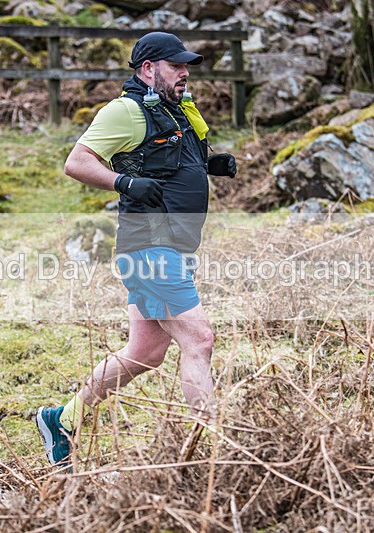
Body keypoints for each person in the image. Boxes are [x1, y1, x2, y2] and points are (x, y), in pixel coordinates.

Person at [35, 32, 238, 468]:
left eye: (187, 65)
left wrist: (210, 165)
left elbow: (167, 162)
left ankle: (60, 420)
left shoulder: (177, 110)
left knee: (145, 353)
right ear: (148, 69)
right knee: (199, 340)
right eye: (176, 65)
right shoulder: (125, 111)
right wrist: (122, 182)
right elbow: (77, 161)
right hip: (149, 246)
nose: (185, 72)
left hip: (174, 247)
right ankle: (212, 456)